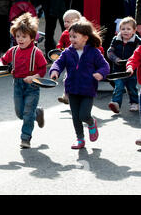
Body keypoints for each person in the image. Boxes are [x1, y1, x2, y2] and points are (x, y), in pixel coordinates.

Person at [50, 18, 110, 149]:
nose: (71, 39)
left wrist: (101, 73)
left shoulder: (94, 52)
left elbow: (104, 66)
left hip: (88, 89)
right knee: (76, 117)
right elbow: (58, 63)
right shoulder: (67, 52)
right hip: (72, 89)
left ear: (85, 38)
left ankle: (91, 122)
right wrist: (55, 71)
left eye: (75, 36)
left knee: (83, 115)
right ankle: (80, 139)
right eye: (70, 36)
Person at [0, 12, 47, 149]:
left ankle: (25, 138)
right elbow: (2, 60)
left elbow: (43, 70)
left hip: (32, 87)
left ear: (32, 37)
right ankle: (38, 112)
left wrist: (33, 77)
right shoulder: (13, 51)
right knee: (20, 113)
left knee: (27, 114)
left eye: (24, 36)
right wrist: (1, 64)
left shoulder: (36, 53)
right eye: (18, 36)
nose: (20, 39)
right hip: (18, 85)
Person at [107, 17, 141, 113]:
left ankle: (134, 103)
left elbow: (137, 55)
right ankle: (116, 103)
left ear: (134, 30)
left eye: (128, 29)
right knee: (119, 86)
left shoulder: (137, 41)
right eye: (123, 29)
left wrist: (129, 62)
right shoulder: (116, 39)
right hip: (118, 70)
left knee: (132, 87)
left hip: (131, 70)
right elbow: (110, 51)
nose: (125, 31)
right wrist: (116, 59)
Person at [56, 9, 82, 105]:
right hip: (69, 60)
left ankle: (81, 95)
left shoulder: (82, 34)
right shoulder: (65, 34)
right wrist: (59, 49)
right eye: (65, 22)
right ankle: (66, 96)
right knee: (67, 78)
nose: (65, 24)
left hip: (81, 60)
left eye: (68, 22)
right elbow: (60, 44)